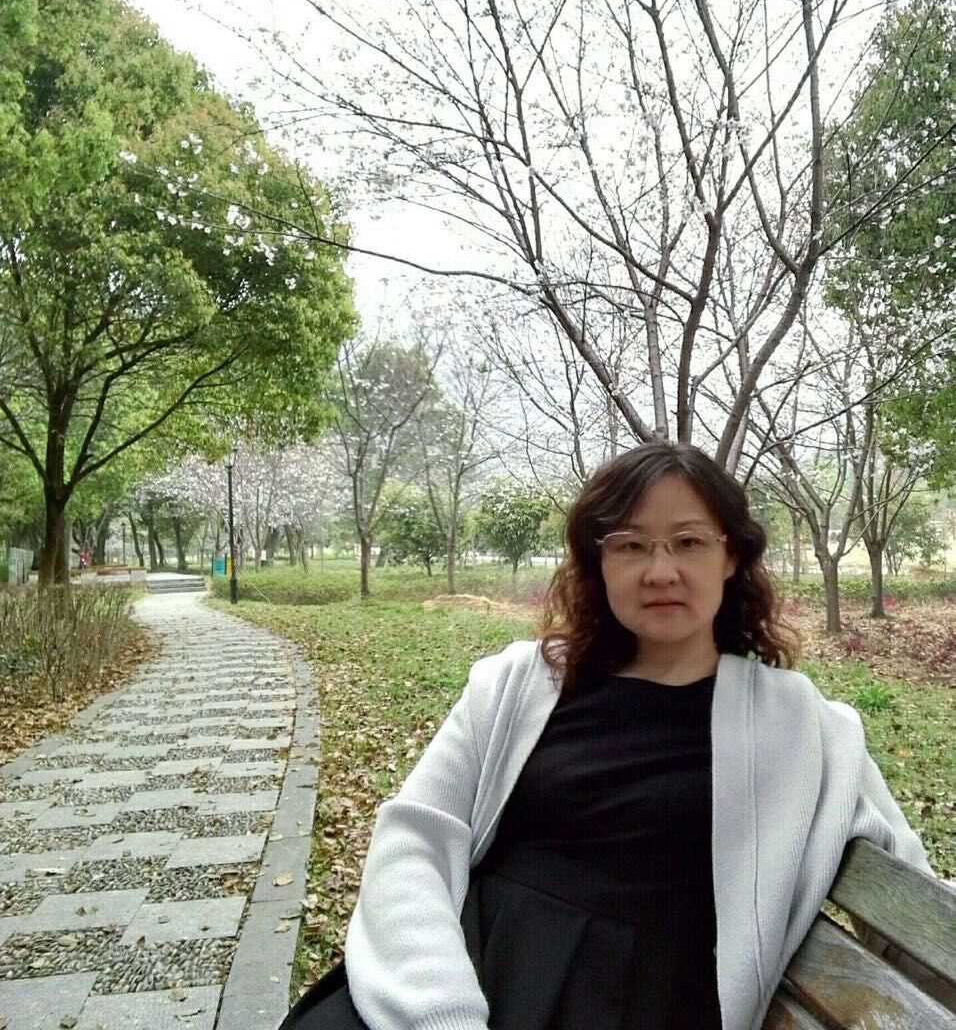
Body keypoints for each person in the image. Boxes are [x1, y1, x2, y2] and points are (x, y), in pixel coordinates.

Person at [279, 441, 940, 1030]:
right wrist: (439, 1010)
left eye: (688, 542)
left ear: (730, 556)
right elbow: (416, 840)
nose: (661, 571)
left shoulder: (801, 724)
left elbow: (917, 904)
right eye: (631, 545)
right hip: (457, 973)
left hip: (643, 997)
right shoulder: (517, 684)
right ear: (600, 561)